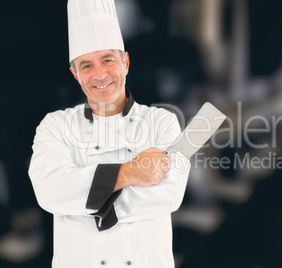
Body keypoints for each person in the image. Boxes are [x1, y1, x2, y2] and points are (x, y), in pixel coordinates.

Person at [28, 0, 190, 267]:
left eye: (108, 60)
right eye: (87, 65)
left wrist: (84, 199)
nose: (100, 74)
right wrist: (129, 173)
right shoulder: (54, 126)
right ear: (75, 74)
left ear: (125, 62)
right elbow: (49, 190)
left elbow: (168, 195)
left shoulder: (163, 122)